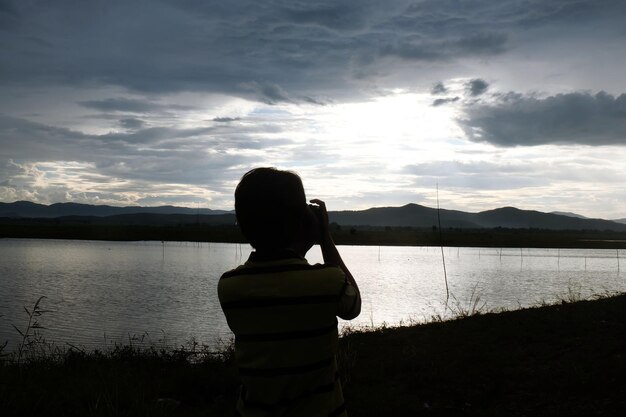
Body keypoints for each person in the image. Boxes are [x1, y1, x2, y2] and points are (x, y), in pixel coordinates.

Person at [218, 167, 361, 417]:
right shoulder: (327, 281)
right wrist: (324, 236)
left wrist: (299, 238)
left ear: (242, 224)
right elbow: (353, 307)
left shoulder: (230, 286)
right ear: (300, 221)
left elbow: (282, 281)